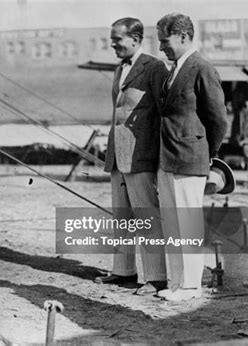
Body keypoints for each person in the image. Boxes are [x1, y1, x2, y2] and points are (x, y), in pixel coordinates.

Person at [155, 13, 227, 301]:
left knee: (188, 225)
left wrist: (207, 153)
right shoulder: (175, 69)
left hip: (190, 158)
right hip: (168, 159)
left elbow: (219, 120)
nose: (161, 48)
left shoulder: (201, 68)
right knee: (173, 224)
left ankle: (191, 286)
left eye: (165, 41)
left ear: (183, 36)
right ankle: (177, 284)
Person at [95, 17, 169, 295]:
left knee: (146, 216)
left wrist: (158, 156)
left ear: (136, 39)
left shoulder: (155, 68)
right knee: (122, 216)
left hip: (141, 156)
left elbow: (164, 114)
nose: (112, 44)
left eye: (117, 39)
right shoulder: (119, 69)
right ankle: (124, 271)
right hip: (118, 155)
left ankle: (157, 277)